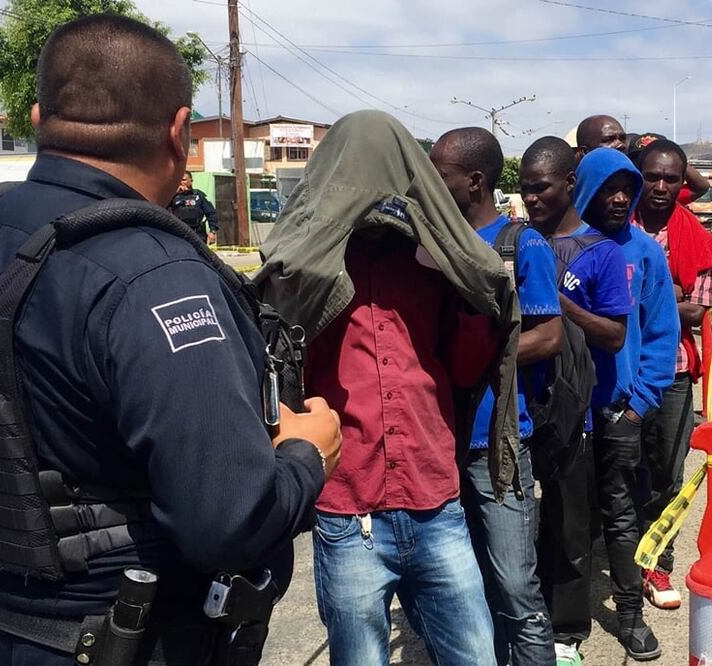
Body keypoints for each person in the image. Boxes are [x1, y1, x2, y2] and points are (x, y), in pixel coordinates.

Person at [0, 15, 342, 665]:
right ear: (180, 132)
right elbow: (228, 522)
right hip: (133, 640)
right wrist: (309, 456)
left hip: (8, 630)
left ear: (36, 116)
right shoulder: (156, 276)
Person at [258, 110, 525, 666]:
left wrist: (475, 297)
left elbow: (466, 367)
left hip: (436, 501)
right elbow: (276, 371)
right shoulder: (302, 267)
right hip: (347, 510)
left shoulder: (439, 260)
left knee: (475, 655)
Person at [431, 127, 561, 665]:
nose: (432, 187)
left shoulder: (520, 244)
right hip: (443, 446)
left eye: (442, 176)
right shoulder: (438, 242)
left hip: (499, 446)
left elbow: (549, 335)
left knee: (515, 586)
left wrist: (482, 358)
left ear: (475, 181)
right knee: (469, 587)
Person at [519, 136, 631, 666]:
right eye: (524, 190)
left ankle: (566, 630)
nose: (532, 199)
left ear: (569, 184)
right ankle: (523, 614)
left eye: (541, 188)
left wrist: (561, 305)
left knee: (569, 522)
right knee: (517, 517)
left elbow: (613, 335)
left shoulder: (600, 253)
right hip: (517, 405)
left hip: (573, 410)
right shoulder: (518, 242)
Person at [572, 147, 680, 662]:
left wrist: (639, 404)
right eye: (608, 187)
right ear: (586, 188)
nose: (618, 198)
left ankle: (630, 615)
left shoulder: (645, 252)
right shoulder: (561, 248)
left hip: (619, 411)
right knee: (568, 517)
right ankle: (565, 622)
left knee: (621, 515)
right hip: (568, 413)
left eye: (626, 188)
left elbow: (662, 335)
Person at [633, 140, 712, 610]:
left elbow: (699, 307)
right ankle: (624, 562)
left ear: (683, 182)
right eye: (653, 176)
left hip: (673, 371)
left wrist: (642, 295)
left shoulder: (699, 239)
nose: (662, 186)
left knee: (668, 473)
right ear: (638, 177)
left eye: (672, 178)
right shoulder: (611, 226)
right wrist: (669, 294)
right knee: (622, 473)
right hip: (619, 370)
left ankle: (658, 565)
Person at [627, 132, 709, 205]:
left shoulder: (664, 194)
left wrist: (675, 161)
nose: (660, 188)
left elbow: (701, 187)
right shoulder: (623, 196)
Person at [170, 170, 219, 243]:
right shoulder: (173, 196)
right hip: (179, 233)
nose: (181, 182)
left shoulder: (198, 195)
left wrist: (212, 231)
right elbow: (161, 208)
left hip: (197, 233)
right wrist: (175, 193)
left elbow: (211, 213)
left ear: (191, 180)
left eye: (184, 180)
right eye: (179, 180)